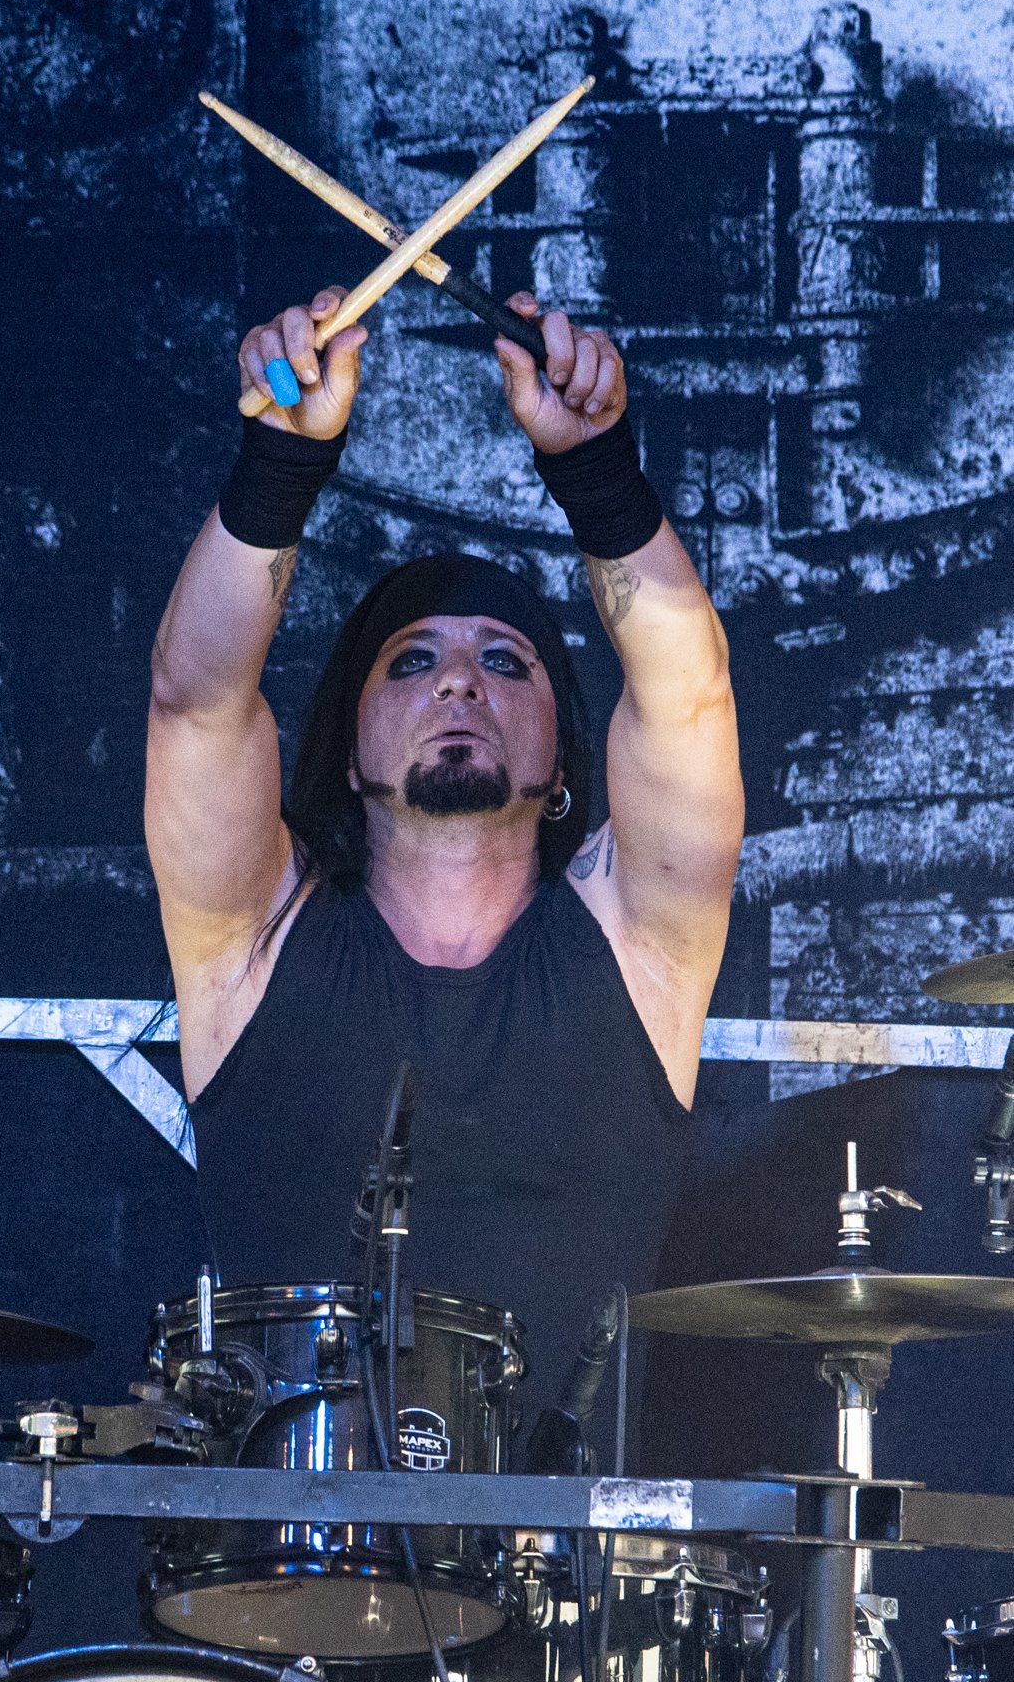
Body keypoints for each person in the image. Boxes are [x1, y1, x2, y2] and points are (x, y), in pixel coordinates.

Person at [145, 283, 744, 1432]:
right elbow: (195, 700)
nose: (461, 680)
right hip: (282, 1539)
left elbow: (689, 694)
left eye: (505, 662)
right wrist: (280, 464)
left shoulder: (641, 946)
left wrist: (597, 473)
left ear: (563, 760)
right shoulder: (249, 941)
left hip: (567, 1542)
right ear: (349, 747)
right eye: (412, 660)